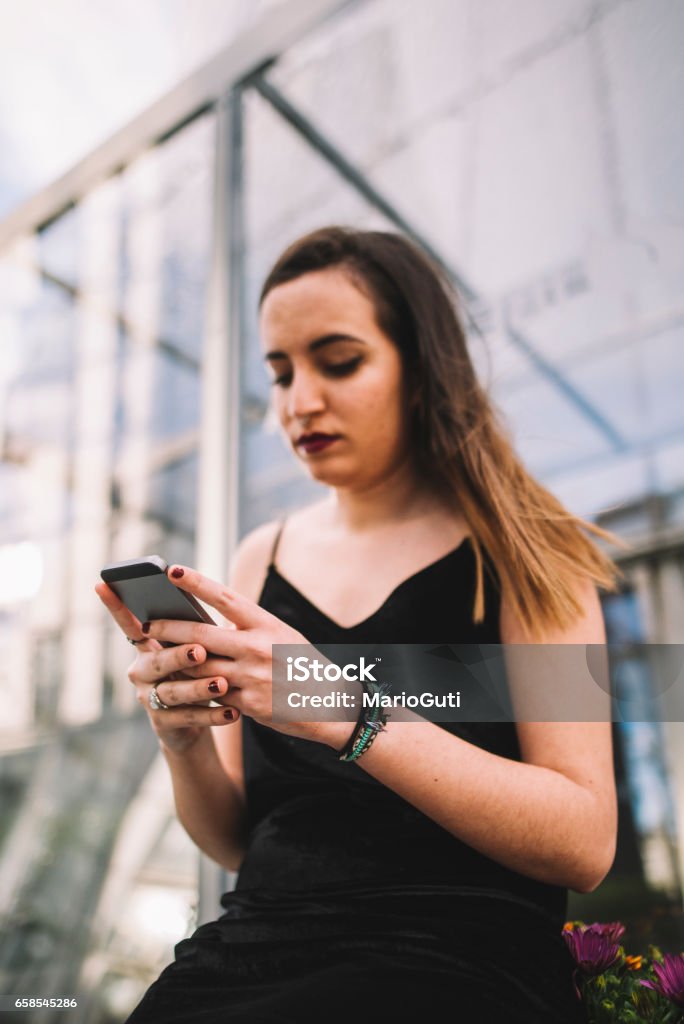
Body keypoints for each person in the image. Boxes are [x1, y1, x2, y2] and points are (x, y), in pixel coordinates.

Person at [96, 226, 620, 1023]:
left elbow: (584, 842)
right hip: (252, 948)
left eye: (338, 361)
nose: (300, 400)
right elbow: (239, 841)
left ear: (420, 368)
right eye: (279, 374)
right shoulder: (258, 559)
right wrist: (182, 739)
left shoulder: (528, 546)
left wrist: (344, 710)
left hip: (458, 959)